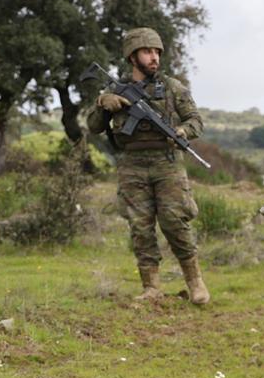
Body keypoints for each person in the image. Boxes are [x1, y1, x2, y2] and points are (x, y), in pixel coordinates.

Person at [87, 27, 210, 304]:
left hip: (167, 164)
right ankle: (151, 288)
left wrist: (182, 132)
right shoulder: (113, 90)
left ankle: (196, 283)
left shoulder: (172, 88)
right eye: (147, 52)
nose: (154, 57)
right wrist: (102, 104)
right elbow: (94, 127)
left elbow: (196, 121)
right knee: (140, 227)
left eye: (156, 52)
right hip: (131, 165)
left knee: (175, 222)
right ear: (132, 57)